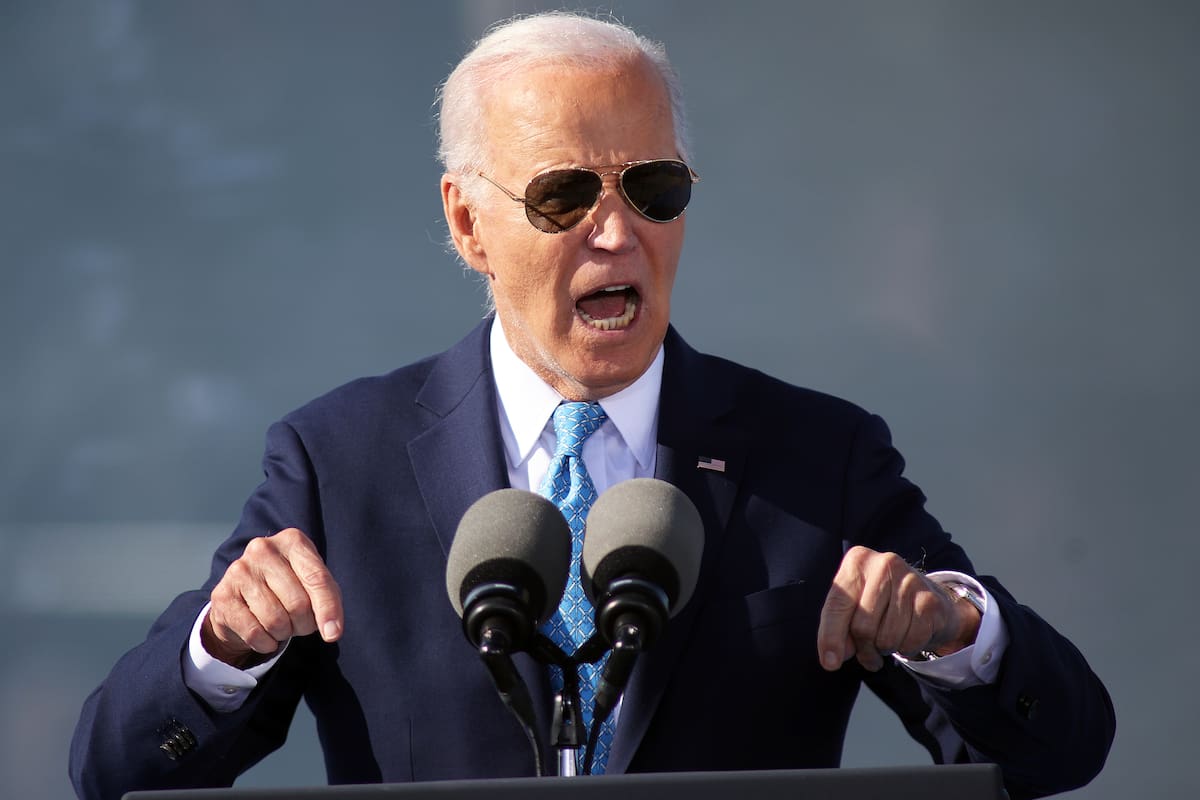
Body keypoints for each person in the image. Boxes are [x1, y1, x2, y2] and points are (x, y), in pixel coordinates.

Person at [70, 11, 1113, 800]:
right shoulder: (340, 460)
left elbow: (1061, 749)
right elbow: (115, 769)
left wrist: (956, 629)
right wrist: (224, 647)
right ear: (468, 224)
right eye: (564, 195)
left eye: (652, 188)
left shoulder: (816, 456)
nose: (616, 233)